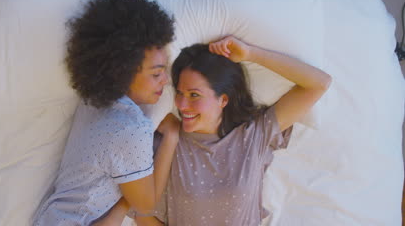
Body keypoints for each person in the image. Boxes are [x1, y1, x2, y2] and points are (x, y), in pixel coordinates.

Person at [135, 36, 332, 225]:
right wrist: (171, 136)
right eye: (179, 93)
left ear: (223, 100)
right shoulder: (166, 144)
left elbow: (319, 84)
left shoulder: (254, 135)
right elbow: (143, 216)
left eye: (194, 95)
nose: (182, 104)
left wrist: (250, 53)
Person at [33, 0, 180, 226]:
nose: (165, 80)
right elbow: (145, 205)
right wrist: (172, 136)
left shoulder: (92, 101)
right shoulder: (131, 129)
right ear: (123, 72)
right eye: (156, 74)